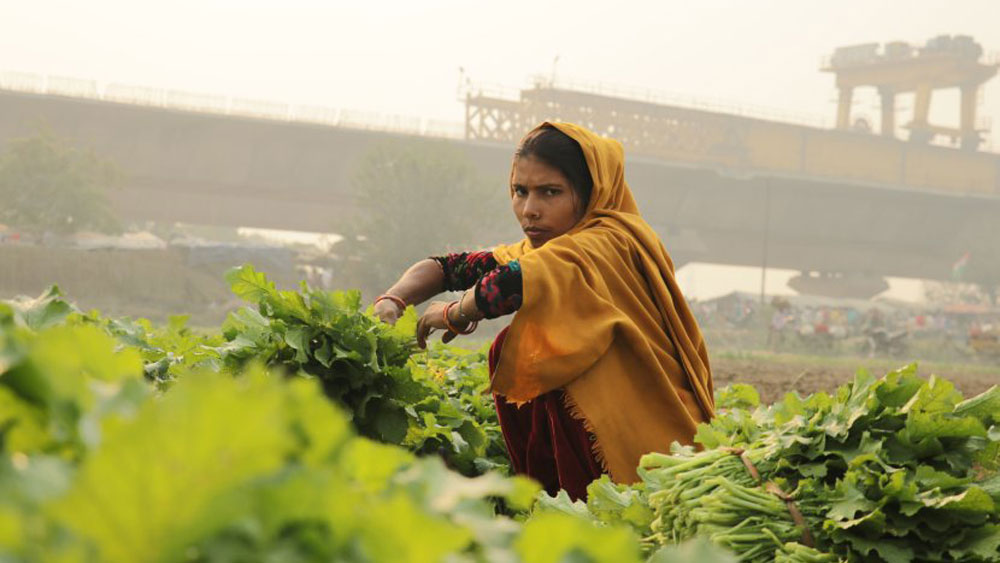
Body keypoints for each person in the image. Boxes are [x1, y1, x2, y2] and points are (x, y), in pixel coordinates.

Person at [372, 122, 714, 499]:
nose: (529, 210)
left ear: (590, 193)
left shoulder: (609, 242)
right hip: (589, 458)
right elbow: (447, 267)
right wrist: (393, 300)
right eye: (520, 191)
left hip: (645, 454)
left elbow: (507, 286)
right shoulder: (544, 252)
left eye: (550, 192)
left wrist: (454, 314)